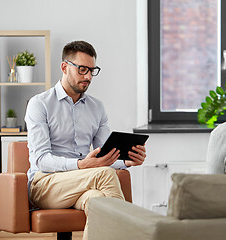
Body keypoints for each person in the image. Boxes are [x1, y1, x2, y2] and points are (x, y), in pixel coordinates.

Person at [25, 40, 146, 239]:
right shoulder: (40, 104)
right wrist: (82, 165)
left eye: (92, 70)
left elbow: (104, 155)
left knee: (99, 201)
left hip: (84, 183)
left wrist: (125, 160)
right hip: (45, 184)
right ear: (64, 67)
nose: (88, 76)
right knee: (105, 174)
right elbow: (41, 160)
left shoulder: (97, 107)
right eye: (82, 69)